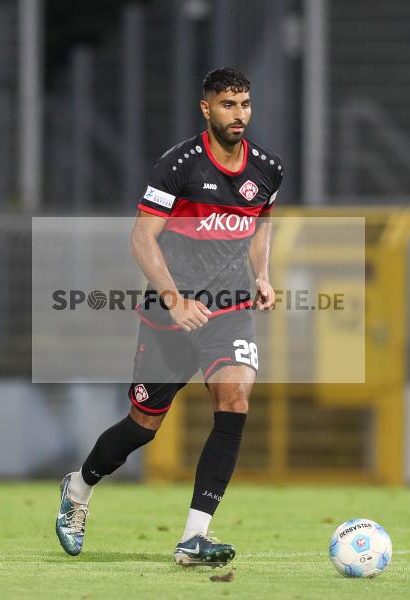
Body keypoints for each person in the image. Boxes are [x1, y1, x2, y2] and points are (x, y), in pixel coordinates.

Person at [55, 68, 283, 567]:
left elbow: (261, 224)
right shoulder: (179, 166)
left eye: (245, 104)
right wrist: (175, 300)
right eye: (228, 104)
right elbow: (141, 239)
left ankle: (194, 537)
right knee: (143, 426)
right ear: (207, 108)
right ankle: (79, 487)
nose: (239, 114)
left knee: (235, 398)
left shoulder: (267, 169)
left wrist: (262, 275)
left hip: (230, 311)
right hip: (169, 315)